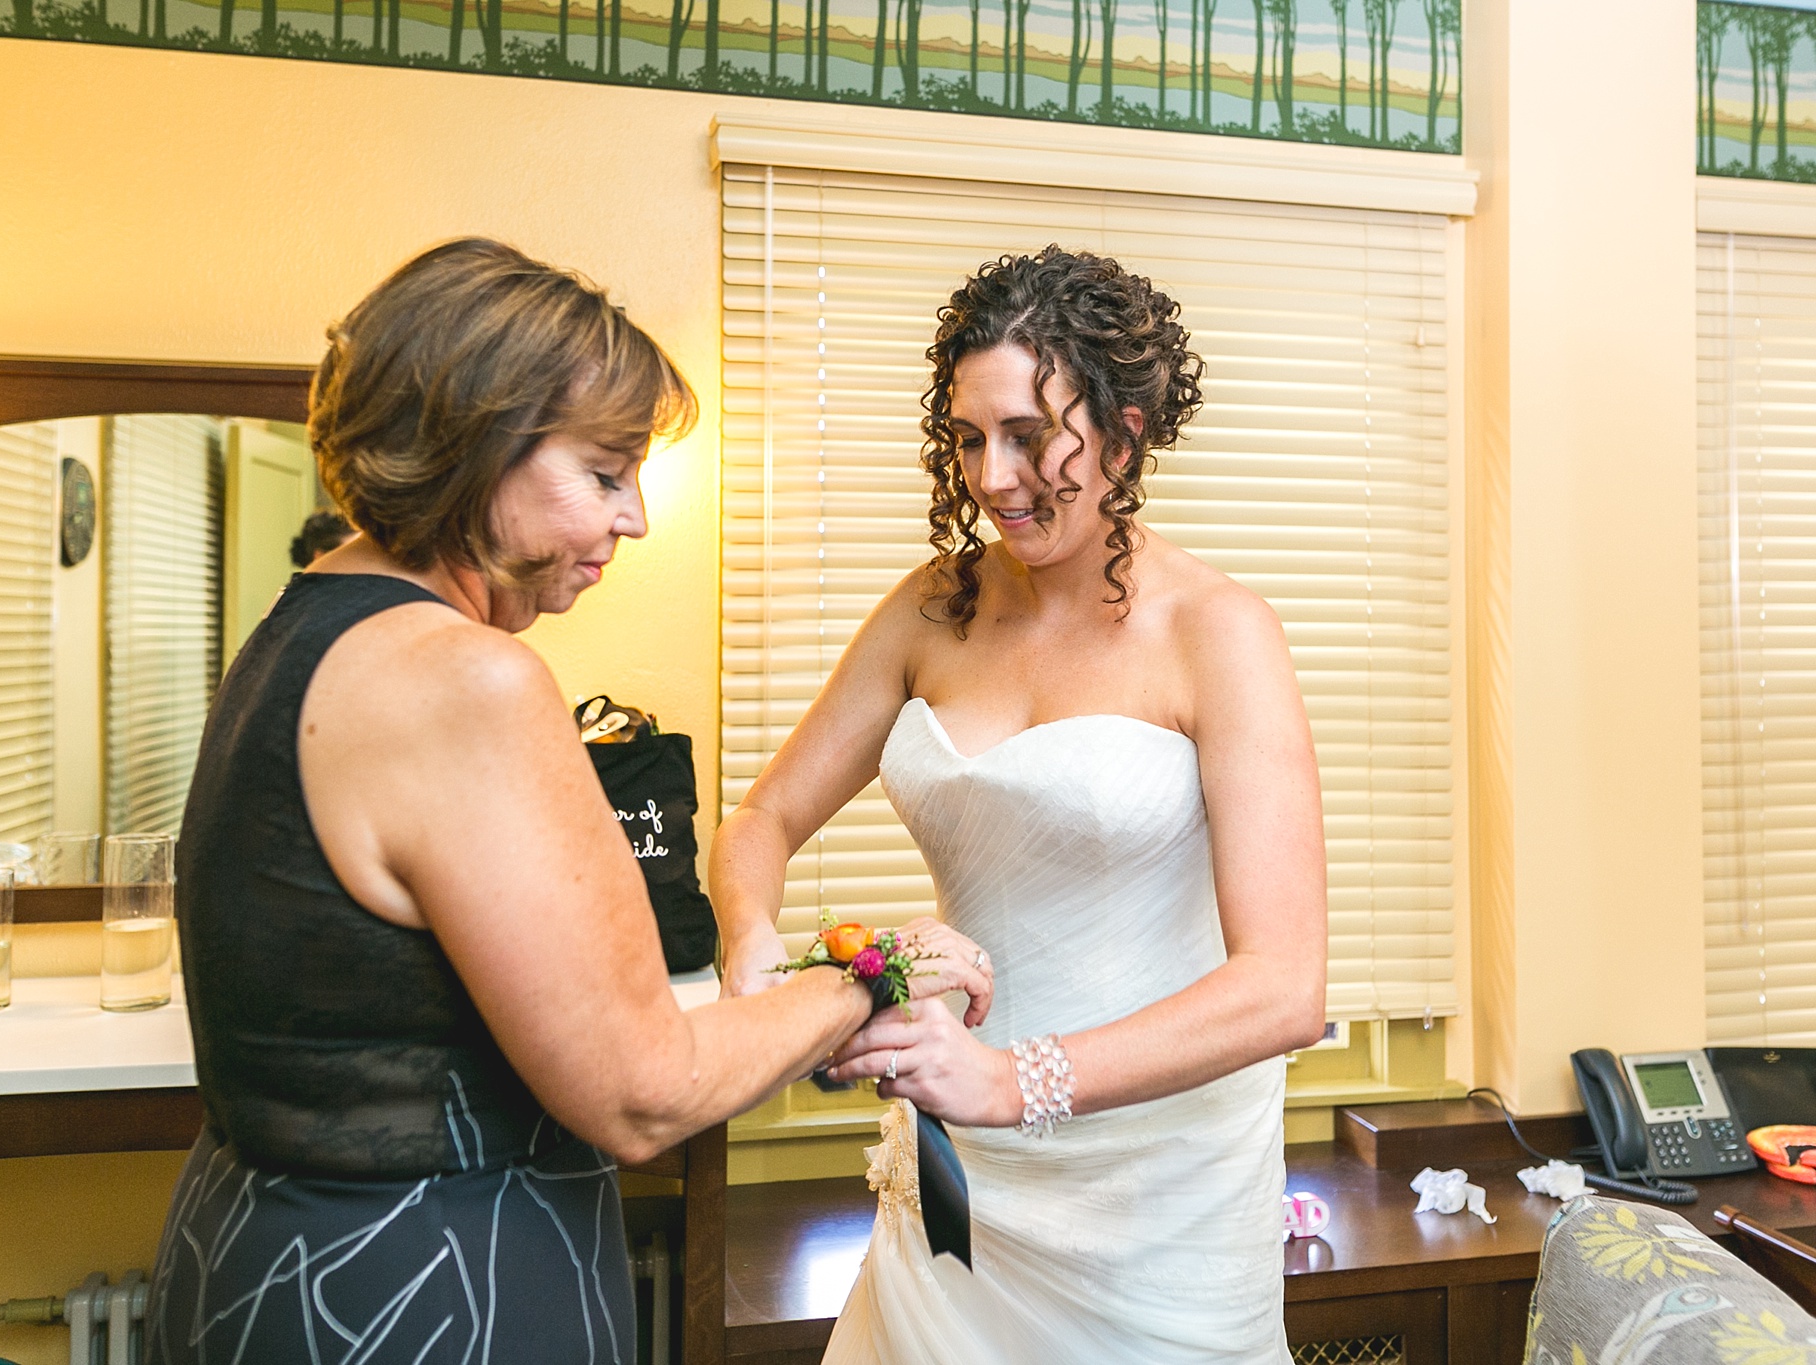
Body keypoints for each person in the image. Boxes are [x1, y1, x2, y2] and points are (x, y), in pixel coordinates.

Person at [143, 239, 993, 1365]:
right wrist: (872, 970)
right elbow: (643, 1094)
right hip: (427, 1291)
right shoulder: (466, 680)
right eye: (602, 475)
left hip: (255, 1261)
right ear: (472, 446)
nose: (633, 518)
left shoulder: (299, 631)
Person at [710, 246, 1328, 1363]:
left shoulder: (1218, 633)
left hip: (1154, 1205)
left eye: (1028, 435)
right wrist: (753, 952)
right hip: (955, 1185)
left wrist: (1012, 1081)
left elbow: (1281, 989)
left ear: (1126, 432)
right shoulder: (926, 612)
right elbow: (759, 821)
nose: (993, 477)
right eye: (965, 437)